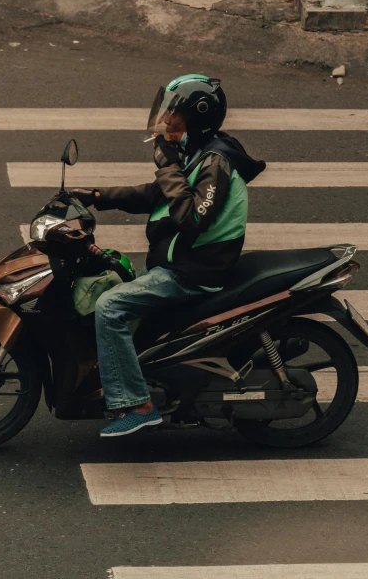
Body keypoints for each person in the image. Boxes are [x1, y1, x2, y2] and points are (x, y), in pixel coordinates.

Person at [72, 75, 265, 438]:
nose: (166, 122)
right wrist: (98, 196)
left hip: (192, 274)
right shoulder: (197, 153)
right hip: (175, 263)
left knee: (110, 307)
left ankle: (139, 405)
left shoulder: (216, 163)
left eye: (173, 114)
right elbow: (156, 194)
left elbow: (192, 217)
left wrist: (168, 166)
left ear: (195, 117)